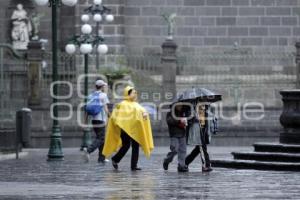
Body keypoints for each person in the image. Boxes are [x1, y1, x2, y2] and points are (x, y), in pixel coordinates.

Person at [102, 86, 154, 171]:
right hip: (125, 129)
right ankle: (115, 159)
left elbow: (143, 112)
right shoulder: (122, 104)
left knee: (135, 146)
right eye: (134, 92)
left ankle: (134, 166)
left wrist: (145, 114)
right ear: (128, 94)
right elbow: (115, 116)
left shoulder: (137, 105)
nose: (135, 94)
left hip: (135, 129)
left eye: (136, 92)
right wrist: (119, 123)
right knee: (126, 146)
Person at [83, 80, 110, 163]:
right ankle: (88, 150)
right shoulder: (103, 95)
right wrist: (110, 117)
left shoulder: (90, 96)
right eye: (104, 86)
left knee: (102, 138)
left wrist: (85, 121)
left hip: (94, 120)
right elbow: (106, 109)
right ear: (102, 87)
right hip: (101, 120)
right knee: (101, 138)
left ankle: (102, 158)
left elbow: (87, 109)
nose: (105, 87)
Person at [185, 104, 213, 172]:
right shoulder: (193, 105)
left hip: (204, 129)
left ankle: (185, 162)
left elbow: (208, 118)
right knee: (202, 146)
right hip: (197, 128)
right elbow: (189, 117)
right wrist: (194, 116)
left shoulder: (206, 106)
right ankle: (206, 165)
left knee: (198, 148)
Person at [163, 104, 189, 172]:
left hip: (183, 134)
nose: (180, 107)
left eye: (181, 106)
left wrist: (186, 121)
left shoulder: (183, 113)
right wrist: (179, 121)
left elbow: (187, 120)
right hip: (174, 135)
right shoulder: (170, 113)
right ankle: (167, 160)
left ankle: (181, 166)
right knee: (174, 150)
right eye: (178, 106)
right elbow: (169, 121)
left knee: (183, 151)